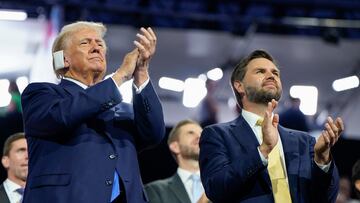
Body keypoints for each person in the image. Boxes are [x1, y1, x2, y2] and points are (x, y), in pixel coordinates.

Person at [21, 21, 165, 203]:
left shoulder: (123, 108)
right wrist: (119, 76)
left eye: (100, 44)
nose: (96, 48)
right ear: (64, 59)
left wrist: (142, 72)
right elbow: (64, 115)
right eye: (85, 43)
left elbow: (153, 134)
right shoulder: (42, 94)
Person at [199, 50, 344, 203]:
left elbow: (327, 198)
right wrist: (263, 150)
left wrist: (322, 161)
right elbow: (216, 189)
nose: (271, 75)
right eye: (260, 71)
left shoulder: (305, 142)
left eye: (275, 72)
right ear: (239, 86)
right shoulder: (217, 135)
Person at [145, 120, 209, 203]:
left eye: (201, 133)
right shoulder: (155, 190)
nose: (199, 137)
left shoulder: (221, 186)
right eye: (191, 133)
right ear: (175, 147)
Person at [0, 132, 28, 203]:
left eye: (30, 151)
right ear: (6, 161)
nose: (28, 156)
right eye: (21, 151)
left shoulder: (47, 196)